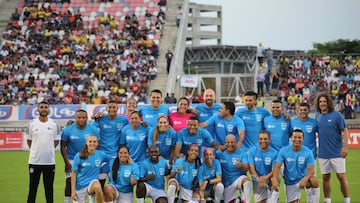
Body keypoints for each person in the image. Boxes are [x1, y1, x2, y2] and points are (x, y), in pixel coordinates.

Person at [314, 93, 350, 203]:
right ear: (318, 104)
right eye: (320, 102)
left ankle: (347, 200)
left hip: (336, 152)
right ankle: (327, 200)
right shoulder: (317, 116)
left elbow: (344, 130)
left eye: (324, 101)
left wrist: (345, 147)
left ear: (328, 102)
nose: (322, 103)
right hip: (323, 153)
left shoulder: (337, 115)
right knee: (325, 177)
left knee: (341, 177)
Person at [61, 109, 100, 203]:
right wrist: (66, 163)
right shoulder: (67, 129)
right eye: (79, 117)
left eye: (83, 117)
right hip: (72, 159)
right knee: (69, 182)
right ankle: (67, 201)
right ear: (75, 118)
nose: (81, 119)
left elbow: (98, 144)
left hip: (89, 159)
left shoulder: (93, 129)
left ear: (87, 118)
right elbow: (62, 146)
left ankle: (92, 201)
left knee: (91, 181)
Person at [271, 129, 320, 203]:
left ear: (303, 139)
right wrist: (274, 178)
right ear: (291, 138)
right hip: (290, 182)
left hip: (303, 179)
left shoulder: (308, 152)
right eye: (295, 137)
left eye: (299, 137)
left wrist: (305, 178)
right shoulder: (284, 150)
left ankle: (311, 199)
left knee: (314, 180)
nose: (297, 139)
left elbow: (311, 170)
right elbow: (277, 166)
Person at [26, 101, 60, 203]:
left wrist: (47, 150)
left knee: (49, 189)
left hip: (49, 162)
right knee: (32, 188)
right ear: (38, 109)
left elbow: (56, 142)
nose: (44, 109)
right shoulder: (31, 124)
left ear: (49, 109)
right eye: (42, 107)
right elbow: (29, 142)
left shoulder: (54, 124)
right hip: (34, 162)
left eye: (46, 107)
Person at [92, 100, 129, 188]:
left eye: (114, 107)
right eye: (110, 107)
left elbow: (129, 130)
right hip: (102, 154)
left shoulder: (123, 120)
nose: (112, 109)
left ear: (117, 109)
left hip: (115, 154)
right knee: (99, 181)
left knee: (114, 182)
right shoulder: (100, 118)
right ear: (106, 108)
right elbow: (93, 130)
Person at [71, 135, 110, 203]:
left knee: (97, 186)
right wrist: (73, 191)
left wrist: (104, 168)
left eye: (94, 142)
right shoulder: (79, 155)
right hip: (80, 186)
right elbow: (74, 173)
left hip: (92, 184)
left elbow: (112, 160)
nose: (92, 143)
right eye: (90, 141)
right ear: (86, 143)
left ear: (97, 143)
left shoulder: (101, 154)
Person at [215, 135, 251, 203]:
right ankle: (238, 200)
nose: (230, 144)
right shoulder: (219, 153)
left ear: (236, 142)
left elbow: (247, 167)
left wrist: (241, 165)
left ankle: (247, 201)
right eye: (228, 142)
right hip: (227, 184)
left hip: (238, 179)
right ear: (225, 143)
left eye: (232, 142)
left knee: (246, 181)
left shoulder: (241, 153)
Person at [248, 130, 278, 203]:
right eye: (261, 139)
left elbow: (274, 170)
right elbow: (251, 169)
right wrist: (259, 179)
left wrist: (265, 178)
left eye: (265, 139)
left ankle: (273, 198)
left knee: (275, 178)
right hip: (257, 179)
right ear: (258, 140)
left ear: (269, 140)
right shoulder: (252, 151)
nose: (263, 141)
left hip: (268, 178)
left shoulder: (274, 153)